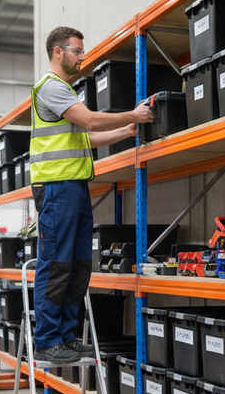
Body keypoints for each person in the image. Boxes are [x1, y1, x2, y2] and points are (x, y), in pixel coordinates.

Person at [30, 26, 154, 364]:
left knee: (78, 265)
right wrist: (134, 114)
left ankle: (66, 337)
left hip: (75, 187)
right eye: (77, 50)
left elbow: (88, 138)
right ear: (58, 51)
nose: (82, 57)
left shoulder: (65, 93)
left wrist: (126, 129)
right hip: (56, 188)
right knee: (56, 264)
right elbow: (89, 122)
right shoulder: (51, 88)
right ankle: (47, 339)